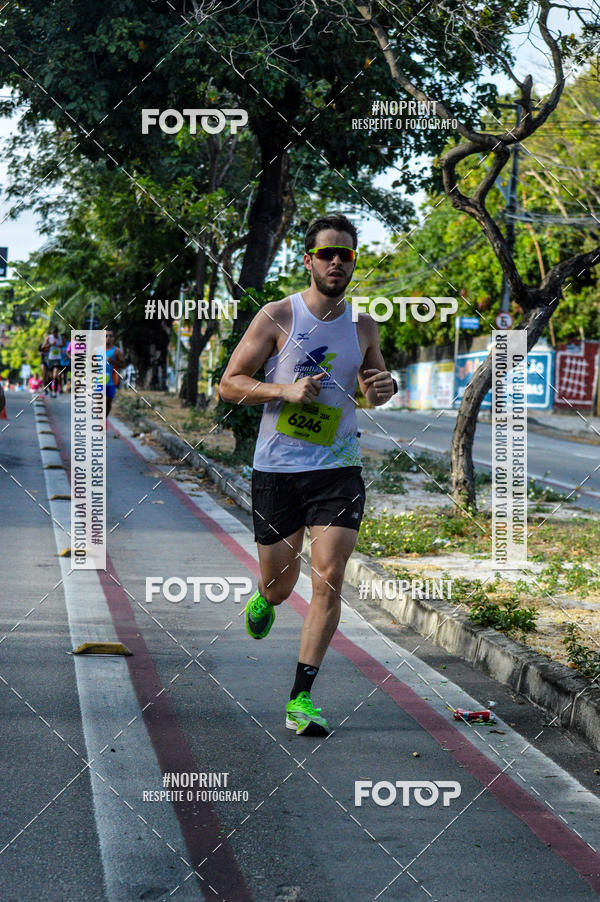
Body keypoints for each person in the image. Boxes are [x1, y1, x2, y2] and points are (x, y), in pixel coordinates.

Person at [219, 212, 395, 736]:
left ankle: (302, 698)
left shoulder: (363, 326)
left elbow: (371, 384)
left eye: (346, 254)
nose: (337, 262)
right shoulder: (277, 317)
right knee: (279, 585)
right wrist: (284, 391)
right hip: (278, 470)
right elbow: (230, 384)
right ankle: (264, 595)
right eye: (327, 253)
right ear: (309, 261)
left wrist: (380, 390)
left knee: (330, 578)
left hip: (338, 469)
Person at [105, 329, 125, 417]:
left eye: (110, 336)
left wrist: (113, 361)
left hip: (112, 380)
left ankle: (104, 419)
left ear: (113, 338)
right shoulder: (96, 350)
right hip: (99, 379)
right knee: (100, 401)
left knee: (108, 402)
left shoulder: (117, 351)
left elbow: (124, 365)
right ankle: (100, 421)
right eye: (106, 336)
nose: (108, 338)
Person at [46, 327, 63, 397]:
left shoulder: (59, 337)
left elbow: (63, 344)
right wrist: (50, 344)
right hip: (50, 358)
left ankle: (55, 391)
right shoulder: (49, 337)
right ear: (52, 333)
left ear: (57, 332)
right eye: (53, 333)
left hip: (57, 358)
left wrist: (57, 345)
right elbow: (44, 346)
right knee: (50, 376)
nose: (54, 334)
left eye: (55, 333)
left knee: (55, 375)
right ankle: (50, 390)